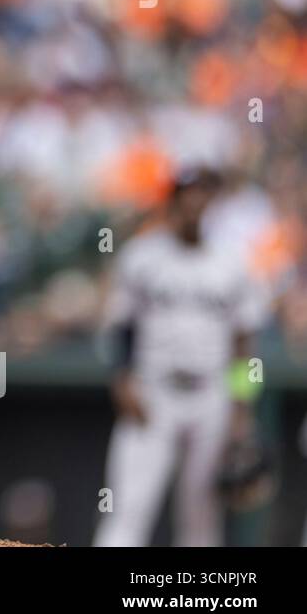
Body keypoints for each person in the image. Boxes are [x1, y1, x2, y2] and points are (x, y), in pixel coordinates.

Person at [92, 168, 268, 546]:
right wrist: (122, 382)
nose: (195, 204)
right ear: (172, 201)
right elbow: (119, 327)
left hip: (212, 397)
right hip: (153, 392)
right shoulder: (142, 256)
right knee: (128, 509)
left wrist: (243, 408)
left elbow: (245, 345)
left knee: (201, 522)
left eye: (203, 195)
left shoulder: (232, 260)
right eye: (188, 195)